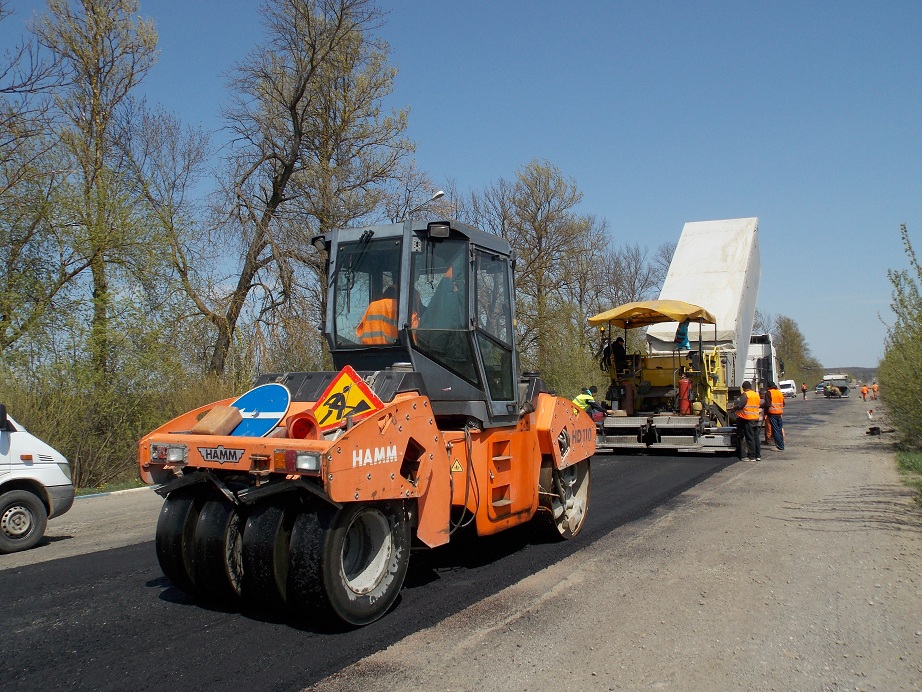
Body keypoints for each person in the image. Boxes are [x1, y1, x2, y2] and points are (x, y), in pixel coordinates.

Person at [730, 380, 761, 461]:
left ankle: (752, 456)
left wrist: (734, 409)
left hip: (747, 419)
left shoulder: (745, 395)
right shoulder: (756, 394)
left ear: (744, 388)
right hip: (755, 418)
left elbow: (740, 405)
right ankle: (758, 455)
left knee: (749, 438)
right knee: (756, 437)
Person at [764, 381, 785, 451]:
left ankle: (779, 446)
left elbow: (767, 404)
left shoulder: (769, 393)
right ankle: (782, 444)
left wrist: (764, 411)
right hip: (779, 413)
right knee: (779, 429)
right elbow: (783, 403)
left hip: (772, 414)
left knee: (775, 430)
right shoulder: (779, 392)